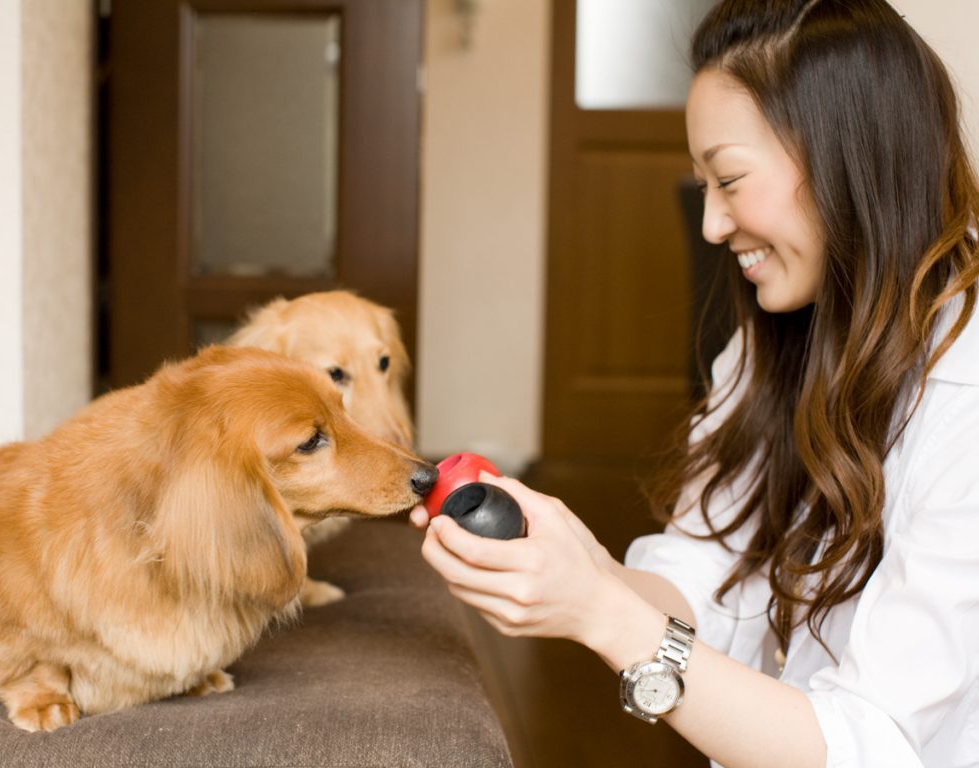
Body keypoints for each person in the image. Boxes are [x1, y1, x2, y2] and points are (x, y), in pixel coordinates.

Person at [410, 1, 979, 765]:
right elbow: (703, 575)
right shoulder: (776, 341)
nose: (711, 225)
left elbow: (865, 744)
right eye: (702, 182)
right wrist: (578, 573)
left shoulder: (964, 396)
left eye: (730, 179)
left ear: (849, 159)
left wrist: (606, 613)